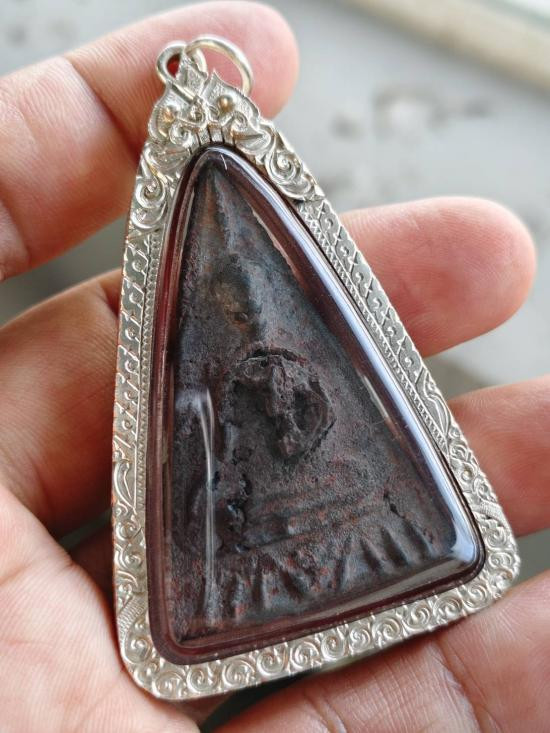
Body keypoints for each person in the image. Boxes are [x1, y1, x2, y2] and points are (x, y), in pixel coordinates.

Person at [0, 3, 545, 731]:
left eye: (252, 294)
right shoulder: (218, 373)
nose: (249, 312)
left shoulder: (297, 372)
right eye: (230, 297)